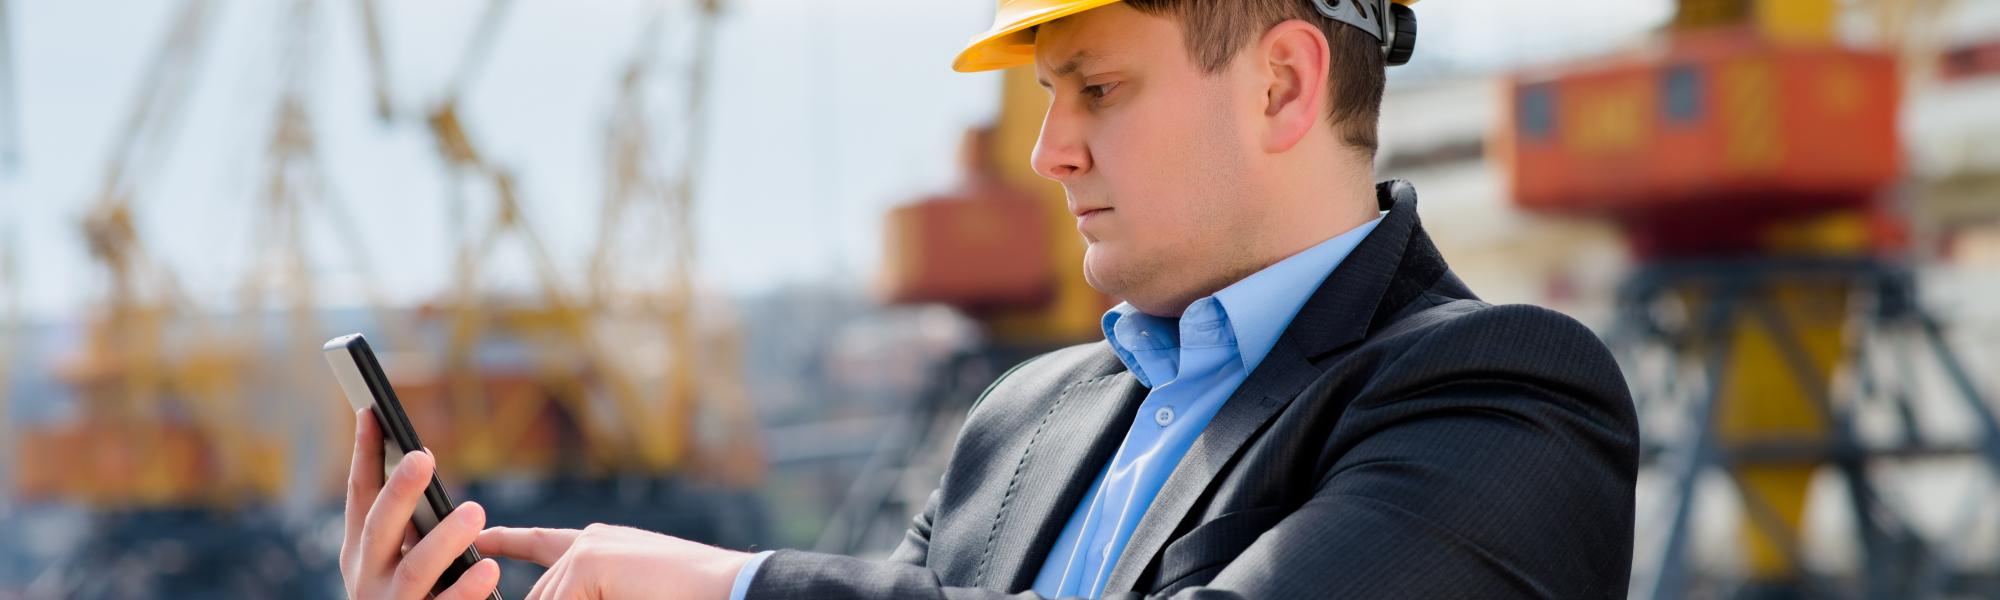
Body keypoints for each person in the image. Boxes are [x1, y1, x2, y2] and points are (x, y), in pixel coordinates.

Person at [339, 0, 1640, 598]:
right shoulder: (1025, 424)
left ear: (1284, 87)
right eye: (1045, 97)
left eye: (1099, 89)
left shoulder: (1505, 399)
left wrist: (732, 592)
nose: (1047, 151)